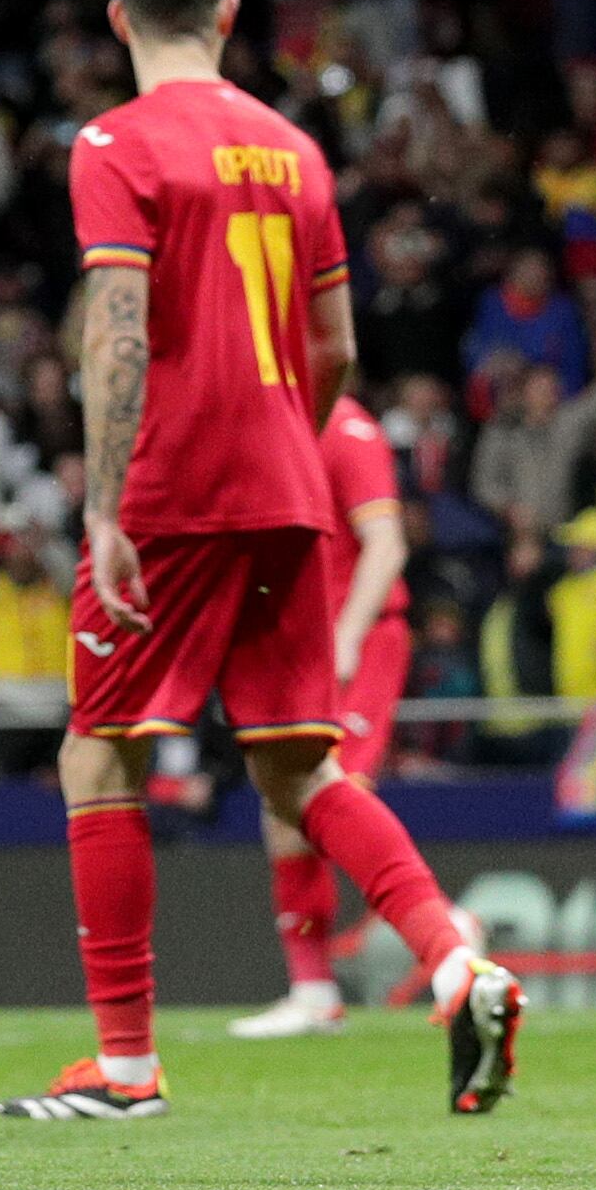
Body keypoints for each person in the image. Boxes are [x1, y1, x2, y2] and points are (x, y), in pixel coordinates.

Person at [0, 0, 522, 1123]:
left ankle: (124, 1067)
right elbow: (331, 345)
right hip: (290, 492)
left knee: (97, 748)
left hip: (174, 487)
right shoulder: (295, 149)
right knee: (297, 762)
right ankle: (453, 958)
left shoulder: (112, 143)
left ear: (119, 16)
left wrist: (106, 501)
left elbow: (115, 329)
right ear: (229, 15)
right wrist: (281, 433)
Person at [228, 394, 437, 1038]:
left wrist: (347, 636)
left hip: (361, 640)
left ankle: (448, 930)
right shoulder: (274, 424)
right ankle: (314, 991)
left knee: (330, 795)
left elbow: (386, 545)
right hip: (301, 648)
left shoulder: (348, 429)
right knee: (284, 806)